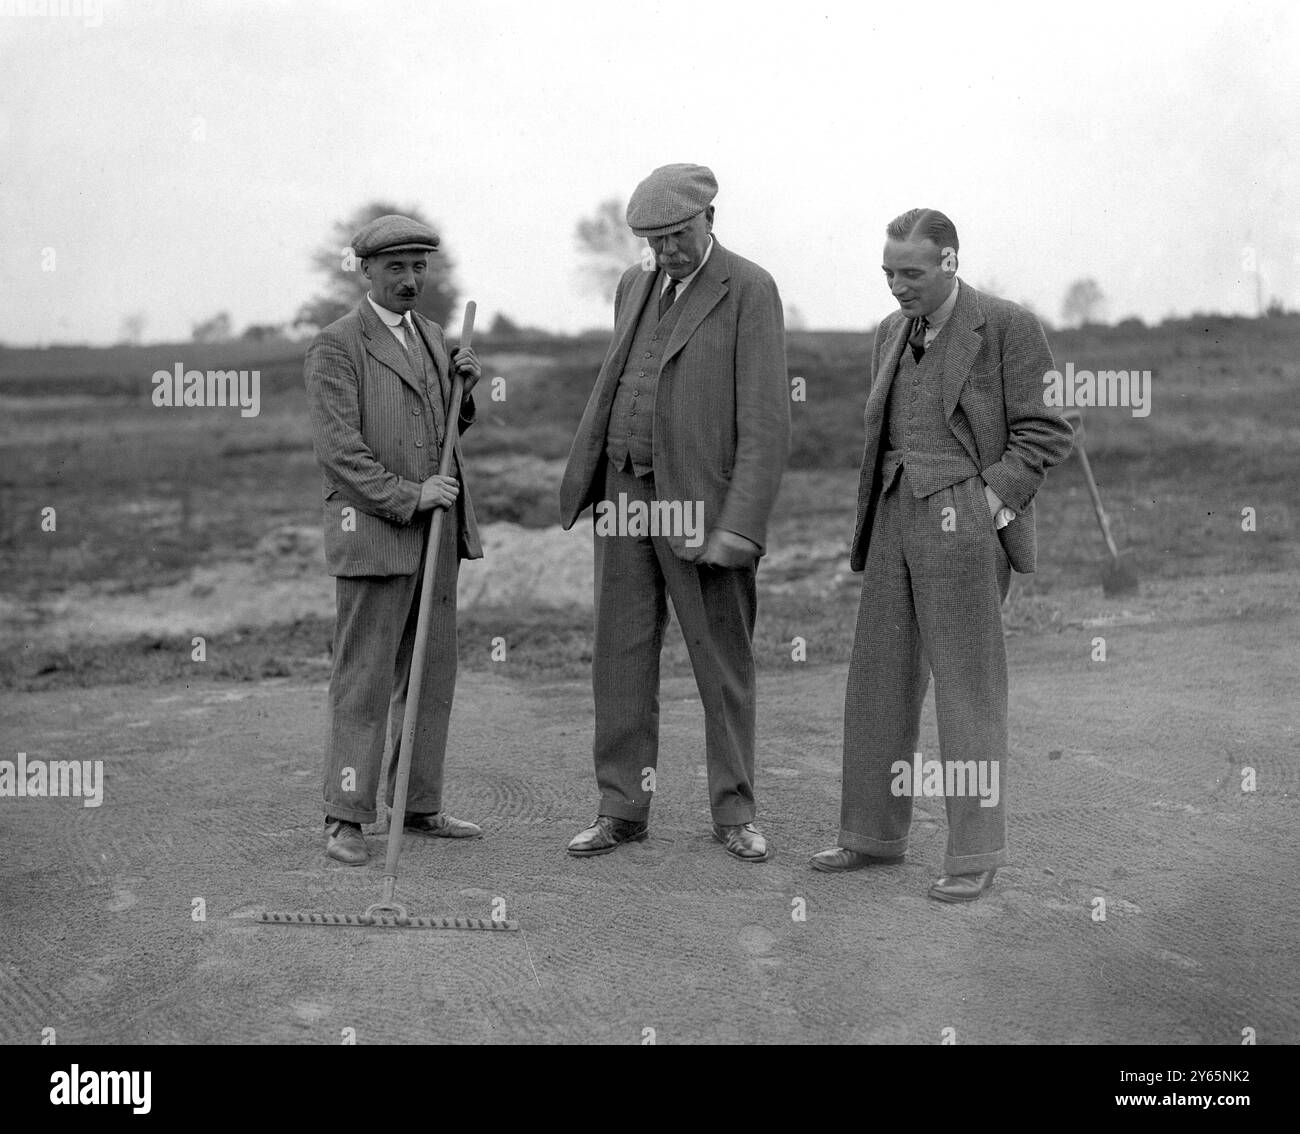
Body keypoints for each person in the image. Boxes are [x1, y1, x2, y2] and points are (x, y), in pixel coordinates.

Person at [812, 208, 1073, 901]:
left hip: (967, 523)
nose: (898, 286)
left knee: (968, 691)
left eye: (913, 273)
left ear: (951, 262)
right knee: (879, 679)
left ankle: (974, 854)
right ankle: (870, 836)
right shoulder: (890, 333)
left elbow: (1049, 426)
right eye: (889, 273)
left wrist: (990, 503)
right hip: (896, 515)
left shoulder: (1007, 327)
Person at [559, 163, 791, 862]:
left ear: (711, 220)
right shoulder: (635, 284)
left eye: (679, 235)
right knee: (620, 655)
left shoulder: (750, 288)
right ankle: (621, 810)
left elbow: (766, 422)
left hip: (700, 506)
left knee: (721, 662)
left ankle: (735, 814)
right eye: (655, 241)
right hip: (623, 494)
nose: (668, 252)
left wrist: (739, 526)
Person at [304, 213, 484, 865]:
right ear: (367, 271)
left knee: (431, 676)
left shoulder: (435, 338)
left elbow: (449, 427)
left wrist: (465, 388)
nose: (410, 279)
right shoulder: (336, 345)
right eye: (395, 268)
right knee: (365, 681)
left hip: (439, 538)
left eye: (418, 267)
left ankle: (418, 804)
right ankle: (345, 819)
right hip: (376, 535)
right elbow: (340, 454)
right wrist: (410, 496)